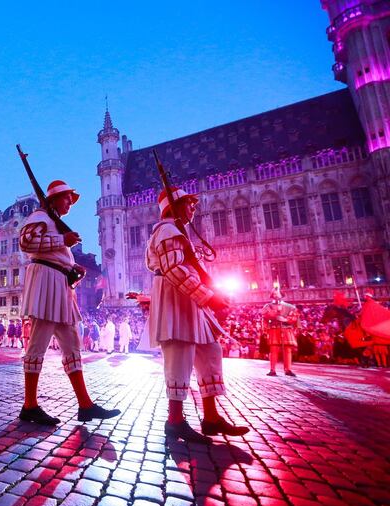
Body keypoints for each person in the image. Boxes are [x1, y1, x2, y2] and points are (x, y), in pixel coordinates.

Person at [145, 186, 248, 443]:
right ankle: (175, 421)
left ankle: (211, 418)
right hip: (175, 299)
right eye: (189, 204)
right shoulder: (167, 231)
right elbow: (173, 269)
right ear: (175, 207)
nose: (193, 208)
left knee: (210, 350)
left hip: (190, 301)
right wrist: (209, 296)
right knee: (179, 358)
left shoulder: (178, 231)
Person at [18, 179, 120, 425]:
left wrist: (73, 266)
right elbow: (26, 242)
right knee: (37, 345)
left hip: (60, 284)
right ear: (54, 199)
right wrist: (61, 241)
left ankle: (85, 405)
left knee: (72, 345)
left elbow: (53, 253)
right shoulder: (40, 216)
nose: (70, 204)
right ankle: (29, 405)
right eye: (66, 199)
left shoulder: (51, 222)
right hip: (46, 283)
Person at [260, 287, 299, 376]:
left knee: (287, 350)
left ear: (281, 294)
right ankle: (272, 369)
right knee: (273, 349)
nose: (276, 295)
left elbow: (295, 317)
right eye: (274, 293)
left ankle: (288, 369)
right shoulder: (268, 306)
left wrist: (285, 319)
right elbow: (264, 317)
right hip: (274, 328)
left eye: (277, 293)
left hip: (286, 328)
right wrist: (275, 314)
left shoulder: (290, 306)